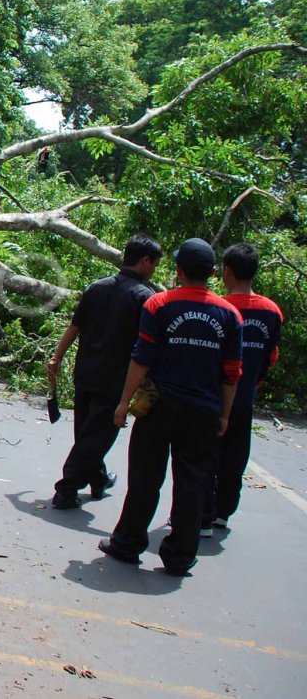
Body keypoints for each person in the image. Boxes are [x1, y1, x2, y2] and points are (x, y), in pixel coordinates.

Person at [99, 238, 244, 576]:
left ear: (178, 270)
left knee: (145, 477)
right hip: (203, 411)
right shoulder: (230, 315)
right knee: (192, 484)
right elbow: (231, 373)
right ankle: (179, 556)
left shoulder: (159, 304)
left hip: (159, 406)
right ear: (211, 274)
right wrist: (224, 414)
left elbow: (141, 358)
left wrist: (123, 403)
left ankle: (127, 544)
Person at [47, 235, 162, 510]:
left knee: (87, 433)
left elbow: (75, 327)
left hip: (85, 372)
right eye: (155, 264)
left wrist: (57, 357)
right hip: (116, 380)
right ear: (145, 261)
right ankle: (66, 489)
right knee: (97, 436)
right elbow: (148, 346)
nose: (154, 270)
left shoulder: (97, 287)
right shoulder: (146, 298)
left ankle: (98, 480)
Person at [200, 243, 283, 535]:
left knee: (207, 454)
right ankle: (223, 512)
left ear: (226, 272)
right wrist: (253, 382)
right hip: (245, 396)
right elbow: (271, 355)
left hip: (214, 395)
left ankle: (204, 513)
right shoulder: (272, 311)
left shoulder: (218, 307)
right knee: (235, 456)